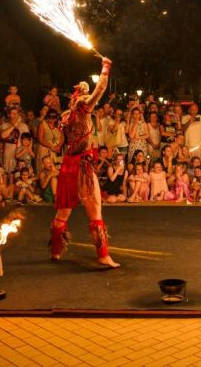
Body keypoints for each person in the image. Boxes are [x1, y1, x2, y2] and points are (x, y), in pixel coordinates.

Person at [49, 57, 119, 268]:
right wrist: (106, 67)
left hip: (68, 165)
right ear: (79, 98)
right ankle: (103, 255)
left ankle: (55, 251)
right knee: (95, 211)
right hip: (82, 166)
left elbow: (59, 145)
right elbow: (101, 89)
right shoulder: (82, 108)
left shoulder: (66, 116)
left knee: (63, 212)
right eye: (84, 90)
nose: (87, 91)